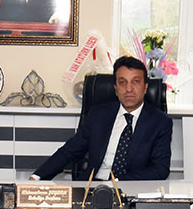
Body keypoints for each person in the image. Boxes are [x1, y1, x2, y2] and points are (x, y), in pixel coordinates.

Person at [32, 56, 173, 181]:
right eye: (122, 82)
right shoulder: (98, 115)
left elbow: (160, 169)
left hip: (131, 188)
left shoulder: (160, 123)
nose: (129, 89)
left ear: (145, 87)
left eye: (135, 82)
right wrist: (37, 176)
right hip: (92, 186)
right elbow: (69, 151)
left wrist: (115, 182)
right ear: (116, 88)